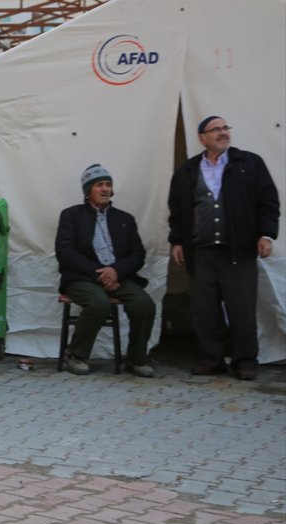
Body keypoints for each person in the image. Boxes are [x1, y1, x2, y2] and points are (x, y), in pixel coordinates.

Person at [168, 116, 279, 381]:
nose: (222, 133)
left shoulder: (249, 163)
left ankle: (244, 360)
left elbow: (268, 201)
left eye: (225, 128)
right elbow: (177, 210)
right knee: (204, 309)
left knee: (241, 308)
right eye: (215, 129)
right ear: (202, 138)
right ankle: (211, 359)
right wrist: (178, 240)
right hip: (201, 251)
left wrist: (266, 234)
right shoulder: (188, 171)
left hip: (238, 250)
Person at [55, 164, 156, 377]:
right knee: (99, 303)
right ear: (88, 190)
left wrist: (116, 271)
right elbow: (65, 252)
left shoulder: (124, 219)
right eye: (99, 185)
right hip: (82, 277)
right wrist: (100, 273)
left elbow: (138, 254)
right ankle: (76, 355)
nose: (105, 189)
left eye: (108, 184)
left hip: (117, 277)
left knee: (144, 304)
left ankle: (136, 359)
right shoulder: (71, 215)